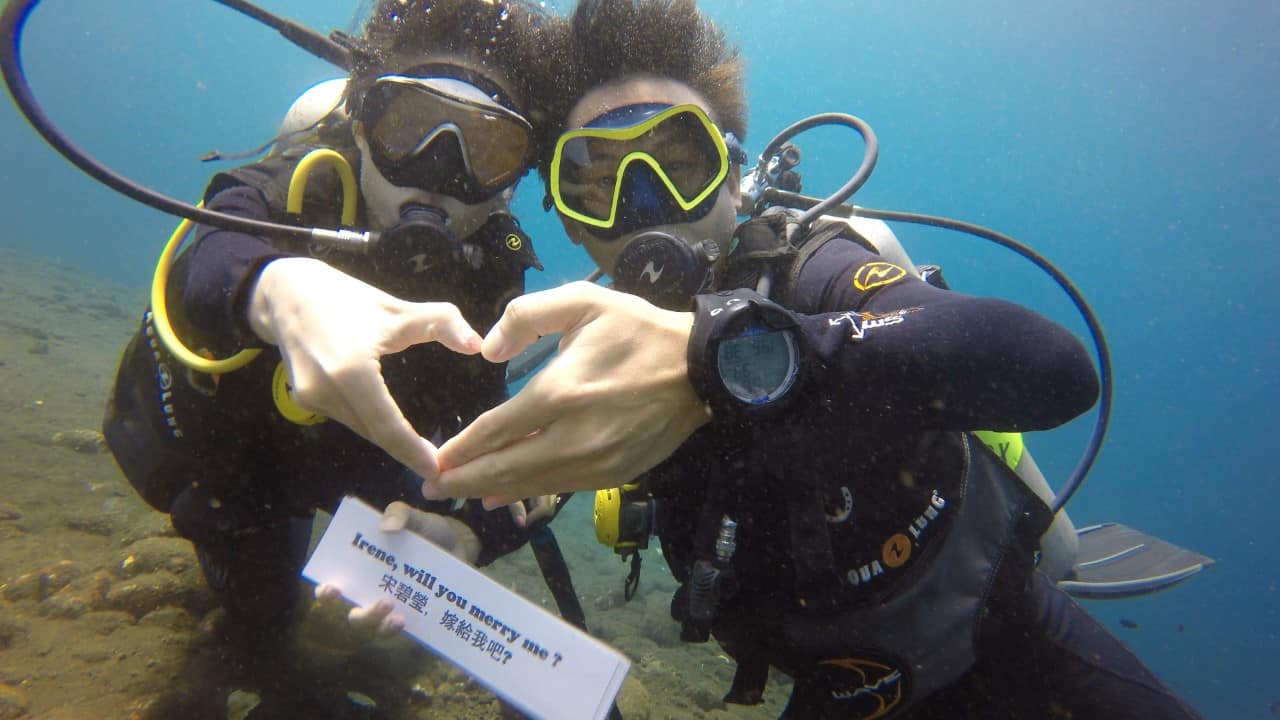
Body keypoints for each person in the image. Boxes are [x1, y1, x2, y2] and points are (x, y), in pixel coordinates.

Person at [425, 0, 1206, 717]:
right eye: (597, 179)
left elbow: (1049, 367)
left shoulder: (812, 267)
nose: (645, 202)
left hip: (1006, 626)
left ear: (734, 176)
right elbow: (537, 480)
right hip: (831, 685)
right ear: (568, 221)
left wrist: (723, 356)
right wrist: (463, 538)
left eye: (679, 162)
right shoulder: (589, 349)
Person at [102, 0, 569, 681]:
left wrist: (470, 535)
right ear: (360, 119)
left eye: (487, 149)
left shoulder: (495, 269)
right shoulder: (300, 185)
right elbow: (214, 245)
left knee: (384, 654)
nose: (438, 172)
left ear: (514, 179)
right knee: (256, 629)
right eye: (409, 125)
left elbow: (509, 459)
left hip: (368, 472)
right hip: (241, 458)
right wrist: (274, 286)